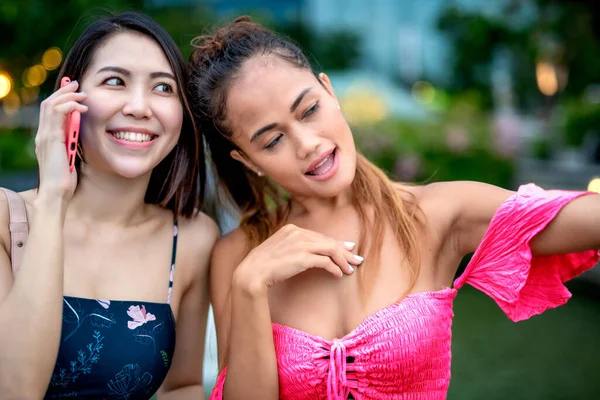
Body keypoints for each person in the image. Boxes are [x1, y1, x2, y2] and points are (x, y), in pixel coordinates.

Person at [188, 16, 600, 400]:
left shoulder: (438, 214)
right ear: (247, 160)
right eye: (272, 140)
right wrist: (250, 287)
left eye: (310, 110)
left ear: (330, 92)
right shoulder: (238, 258)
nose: (307, 143)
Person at [0, 12, 218, 399]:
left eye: (163, 88)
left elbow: (181, 387)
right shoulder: (6, 219)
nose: (139, 106)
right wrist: (53, 198)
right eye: (115, 81)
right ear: (68, 99)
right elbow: (15, 390)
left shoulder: (192, 238)